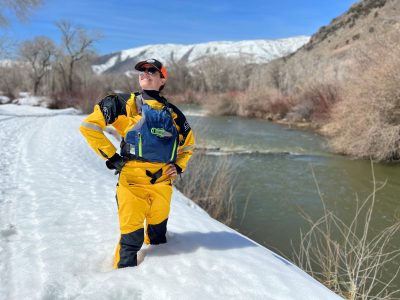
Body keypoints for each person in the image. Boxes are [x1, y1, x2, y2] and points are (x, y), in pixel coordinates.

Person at [79, 58, 195, 268]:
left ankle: (159, 276)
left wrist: (178, 166)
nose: (145, 73)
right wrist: (111, 156)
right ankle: (123, 279)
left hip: (163, 183)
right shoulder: (123, 103)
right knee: (131, 238)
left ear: (162, 80)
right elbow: (89, 126)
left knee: (158, 235)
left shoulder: (175, 114)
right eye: (142, 70)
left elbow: (187, 145)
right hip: (131, 183)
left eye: (152, 71)